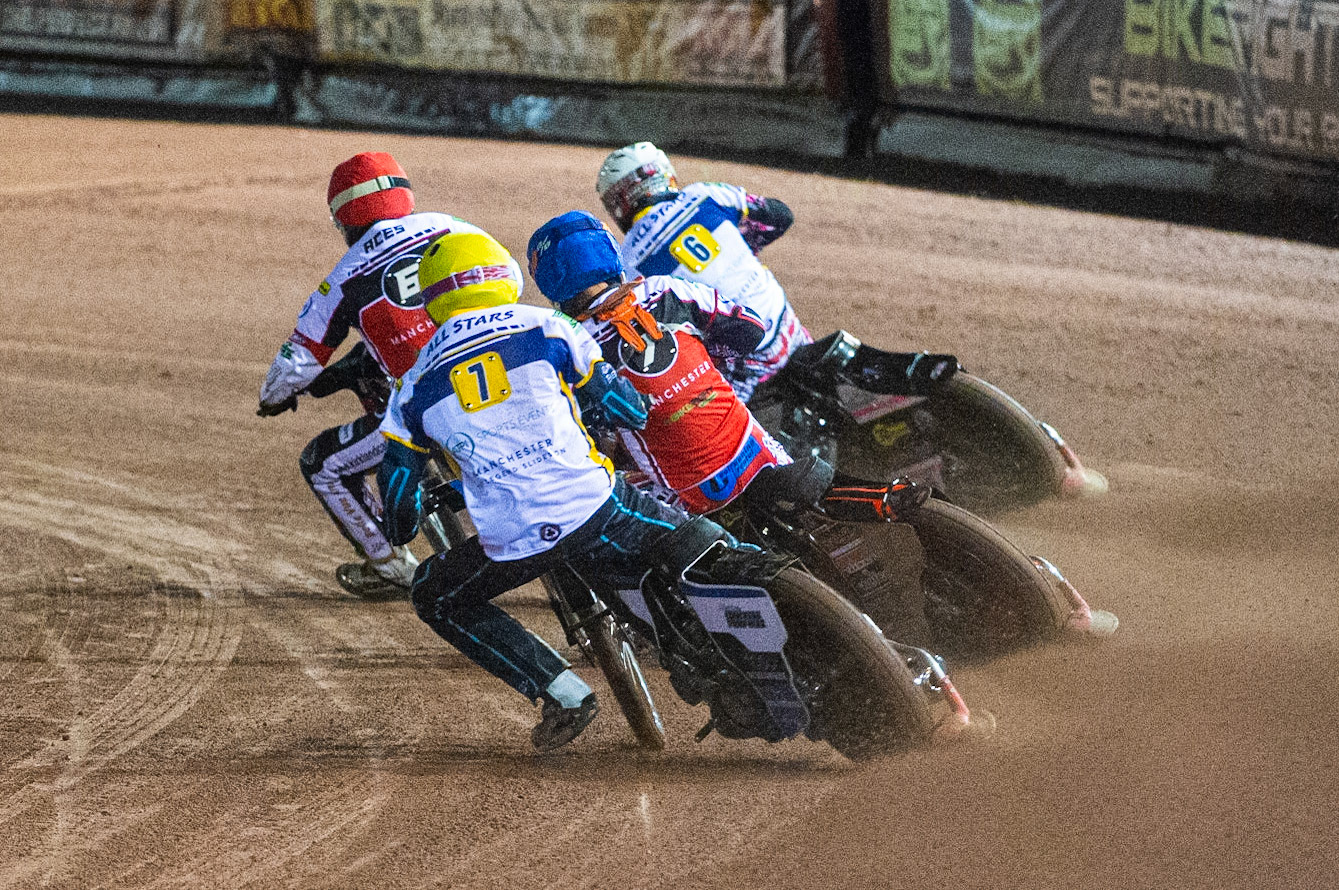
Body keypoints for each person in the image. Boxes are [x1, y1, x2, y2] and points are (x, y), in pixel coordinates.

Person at [376, 229, 734, 751]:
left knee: (434, 593)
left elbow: (399, 496)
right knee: (702, 540)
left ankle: (563, 693)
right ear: (502, 274)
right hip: (598, 508)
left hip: (516, 543)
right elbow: (625, 409)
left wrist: (402, 524)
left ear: (431, 300)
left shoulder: (410, 386)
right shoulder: (549, 325)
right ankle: (762, 589)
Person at [526, 210, 904, 523]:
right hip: (754, 453)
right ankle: (886, 499)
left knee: (602, 503)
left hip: (688, 495)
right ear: (608, 252)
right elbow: (752, 330)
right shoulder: (667, 289)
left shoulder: (566, 344)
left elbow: (578, 430)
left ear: (551, 284)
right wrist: (705, 354)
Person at [257, 151, 522, 597]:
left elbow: (300, 357)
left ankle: (390, 563)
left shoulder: (343, 277)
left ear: (344, 217)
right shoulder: (456, 226)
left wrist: (272, 396)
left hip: (429, 403)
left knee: (322, 463)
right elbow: (509, 277)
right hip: (506, 370)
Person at [595, 141, 811, 402]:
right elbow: (779, 215)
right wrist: (746, 247)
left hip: (742, 363)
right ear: (662, 173)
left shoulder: (626, 260)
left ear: (619, 203)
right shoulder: (704, 195)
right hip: (786, 323)